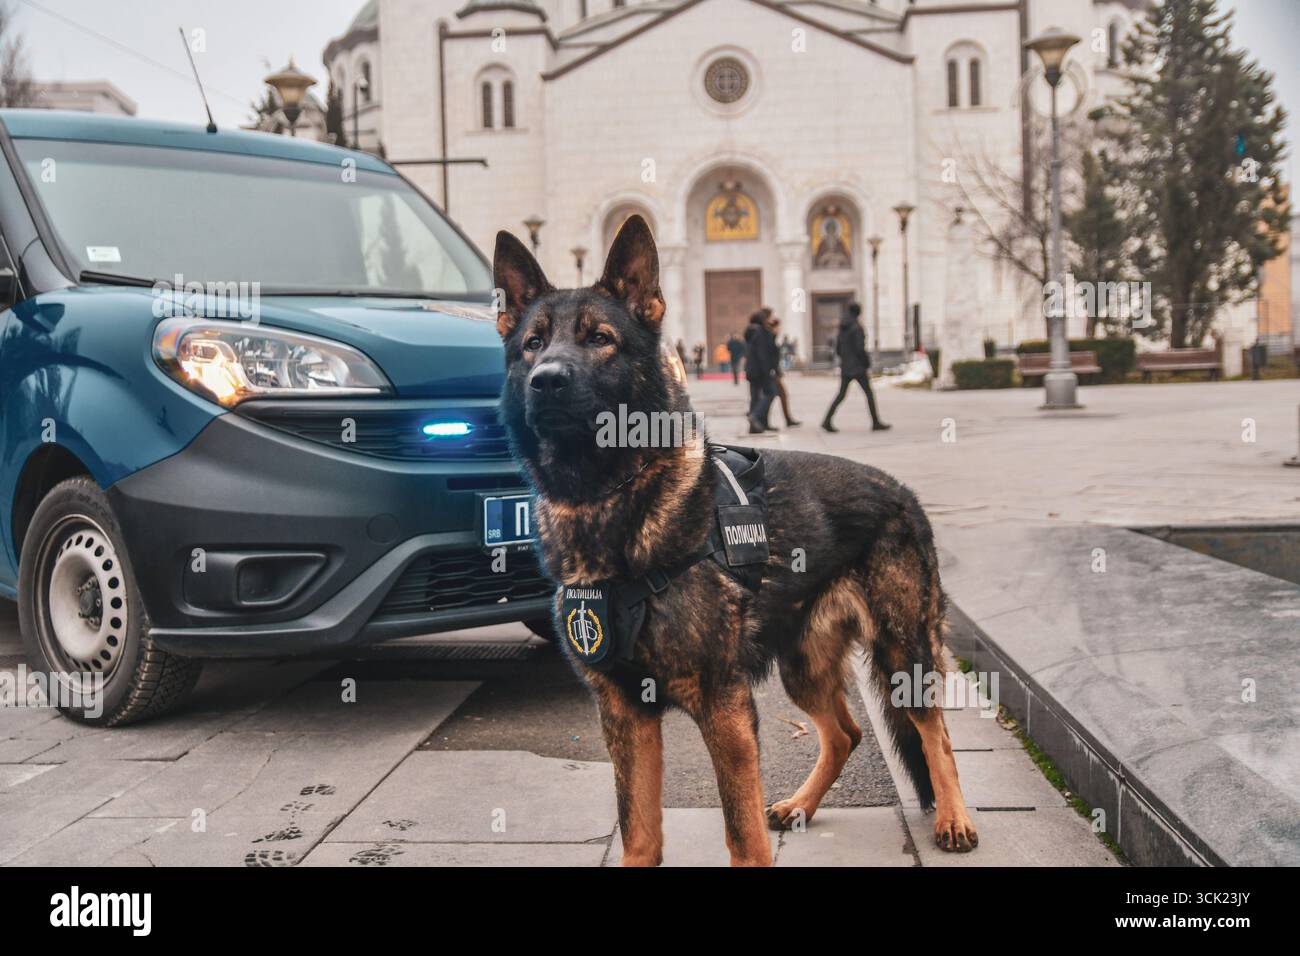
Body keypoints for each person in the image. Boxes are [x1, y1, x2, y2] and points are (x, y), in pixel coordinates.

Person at [822, 302, 891, 433]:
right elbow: (860, 348)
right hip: (858, 367)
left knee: (841, 395)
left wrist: (845, 360)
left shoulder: (842, 327)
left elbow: (838, 349)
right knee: (869, 394)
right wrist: (866, 363)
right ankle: (875, 422)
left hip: (846, 366)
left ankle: (826, 420)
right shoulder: (856, 327)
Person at [744, 309, 780, 433]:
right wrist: (769, 371)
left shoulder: (752, 331)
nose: (772, 320)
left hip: (752, 369)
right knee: (771, 392)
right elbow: (764, 354)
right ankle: (754, 415)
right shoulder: (762, 333)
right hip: (761, 370)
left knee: (755, 397)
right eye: (770, 317)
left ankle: (758, 426)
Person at [767, 315, 801, 427]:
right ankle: (759, 418)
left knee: (779, 395)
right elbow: (771, 357)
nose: (779, 329)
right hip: (772, 373)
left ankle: (787, 419)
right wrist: (776, 371)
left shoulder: (772, 338)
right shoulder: (770, 338)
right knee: (772, 396)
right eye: (778, 327)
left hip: (773, 372)